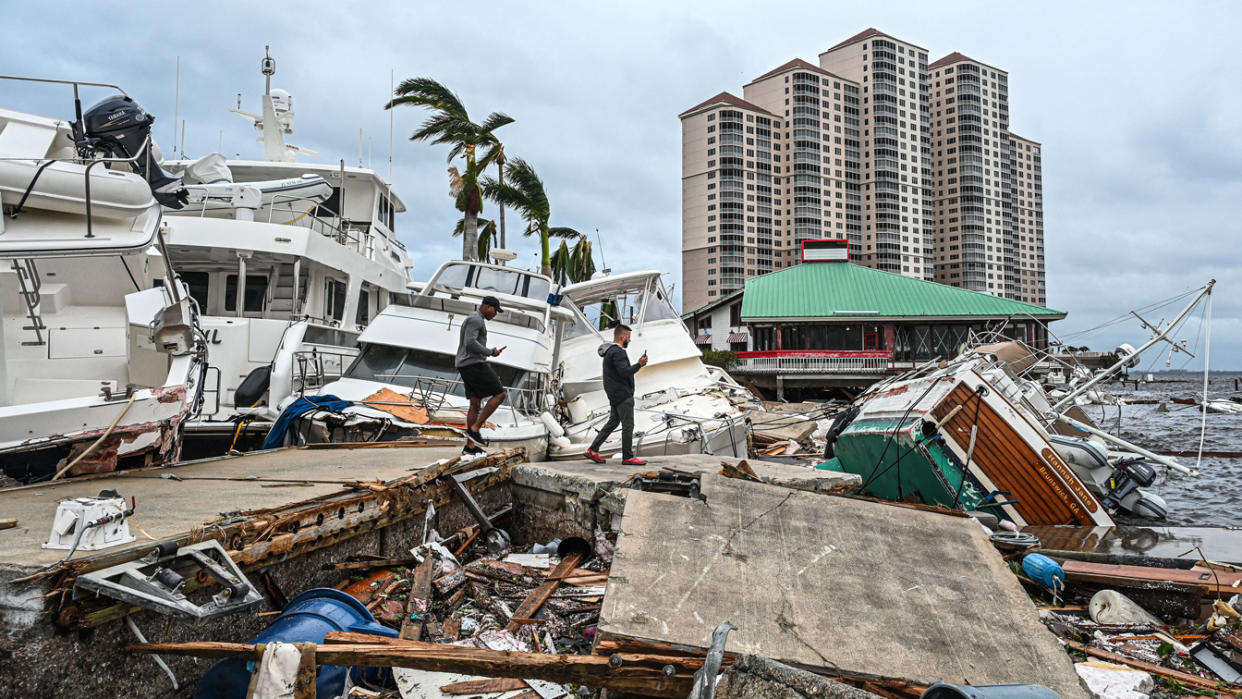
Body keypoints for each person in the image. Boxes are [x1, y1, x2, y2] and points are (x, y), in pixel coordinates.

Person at [586, 323, 649, 465]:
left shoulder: (610, 352)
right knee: (628, 425)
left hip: (614, 394)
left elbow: (618, 372)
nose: (630, 340)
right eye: (629, 337)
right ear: (622, 336)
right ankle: (627, 457)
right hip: (622, 395)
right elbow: (624, 372)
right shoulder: (618, 352)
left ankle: (593, 449)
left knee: (613, 422)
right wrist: (639, 364)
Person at [456, 295, 507, 451]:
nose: (495, 314)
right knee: (500, 394)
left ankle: (470, 446)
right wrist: (490, 352)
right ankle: (475, 428)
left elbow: (471, 342)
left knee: (475, 403)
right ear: (487, 307)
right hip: (473, 364)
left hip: (465, 364)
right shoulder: (476, 320)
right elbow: (470, 343)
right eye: (495, 310)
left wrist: (490, 351)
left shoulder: (474, 318)